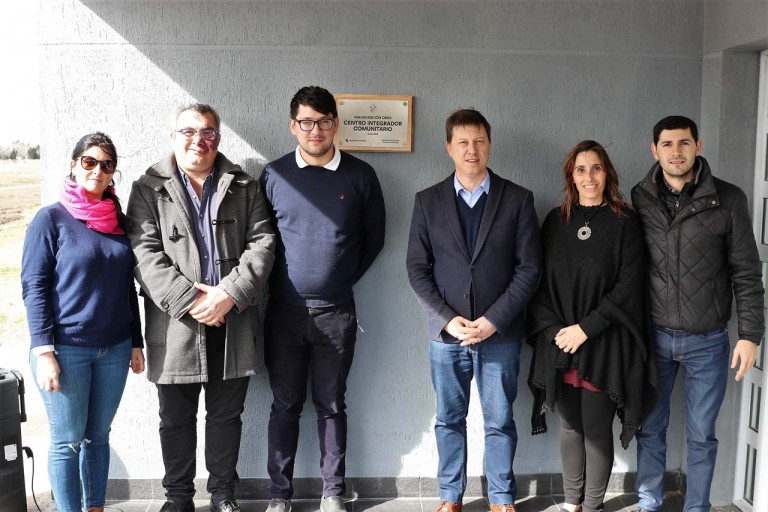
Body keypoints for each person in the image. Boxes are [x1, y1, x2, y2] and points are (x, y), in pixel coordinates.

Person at [126, 103, 275, 512]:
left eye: (207, 132)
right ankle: (178, 499)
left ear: (218, 138)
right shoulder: (147, 188)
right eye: (189, 132)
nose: (199, 140)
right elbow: (143, 254)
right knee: (175, 419)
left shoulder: (244, 185)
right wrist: (192, 299)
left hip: (233, 318)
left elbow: (262, 244)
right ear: (174, 137)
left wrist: (230, 294)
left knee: (227, 417)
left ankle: (224, 495)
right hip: (176, 325)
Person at [406, 109, 542, 512]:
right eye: (463, 142)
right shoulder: (427, 201)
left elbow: (529, 269)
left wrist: (493, 320)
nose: (472, 150)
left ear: (490, 145)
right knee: (448, 419)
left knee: (500, 420)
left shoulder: (517, 199)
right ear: (449, 147)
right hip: (447, 336)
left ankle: (501, 497)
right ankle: (451, 496)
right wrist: (448, 319)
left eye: (479, 141)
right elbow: (417, 269)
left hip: (500, 333)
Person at [259, 85, 385, 512]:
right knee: (285, 405)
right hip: (284, 312)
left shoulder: (361, 175)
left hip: (336, 312)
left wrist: (340, 278)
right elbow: (263, 241)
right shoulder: (273, 175)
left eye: (324, 121)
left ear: (336, 124)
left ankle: (333, 492)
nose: (316, 130)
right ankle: (279, 495)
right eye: (307, 122)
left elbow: (374, 238)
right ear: (293, 126)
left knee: (331, 404)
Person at [632, 116, 764, 512]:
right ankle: (649, 504)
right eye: (667, 144)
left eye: (684, 143)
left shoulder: (728, 198)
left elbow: (746, 270)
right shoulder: (639, 197)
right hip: (653, 337)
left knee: (702, 436)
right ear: (655, 150)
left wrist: (750, 334)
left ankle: (697, 508)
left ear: (698, 146)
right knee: (649, 429)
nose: (676, 152)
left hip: (708, 341)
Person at [527, 140, 657, 512]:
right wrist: (556, 331)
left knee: (597, 429)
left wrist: (585, 329)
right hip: (561, 344)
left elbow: (628, 286)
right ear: (571, 176)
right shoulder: (555, 221)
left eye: (596, 168)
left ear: (607, 173)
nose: (589, 177)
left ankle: (594, 505)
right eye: (581, 169)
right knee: (570, 427)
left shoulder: (625, 221)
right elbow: (537, 282)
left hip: (604, 343)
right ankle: (572, 503)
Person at [21, 132, 145, 512]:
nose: (97, 170)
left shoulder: (118, 223)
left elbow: (127, 287)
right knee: (67, 441)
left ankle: (96, 507)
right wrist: (44, 352)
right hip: (66, 350)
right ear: (74, 166)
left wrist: (136, 341)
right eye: (89, 162)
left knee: (97, 436)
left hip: (115, 349)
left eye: (107, 165)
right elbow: (34, 287)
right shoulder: (50, 219)